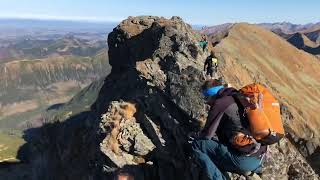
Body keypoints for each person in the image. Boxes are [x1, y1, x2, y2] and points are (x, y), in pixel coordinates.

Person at [192, 79, 267, 180]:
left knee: (198, 145)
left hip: (244, 159)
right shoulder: (237, 96)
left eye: (206, 98)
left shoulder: (220, 103)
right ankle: (252, 172)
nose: (206, 102)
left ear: (211, 95)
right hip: (260, 156)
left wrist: (194, 135)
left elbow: (207, 135)